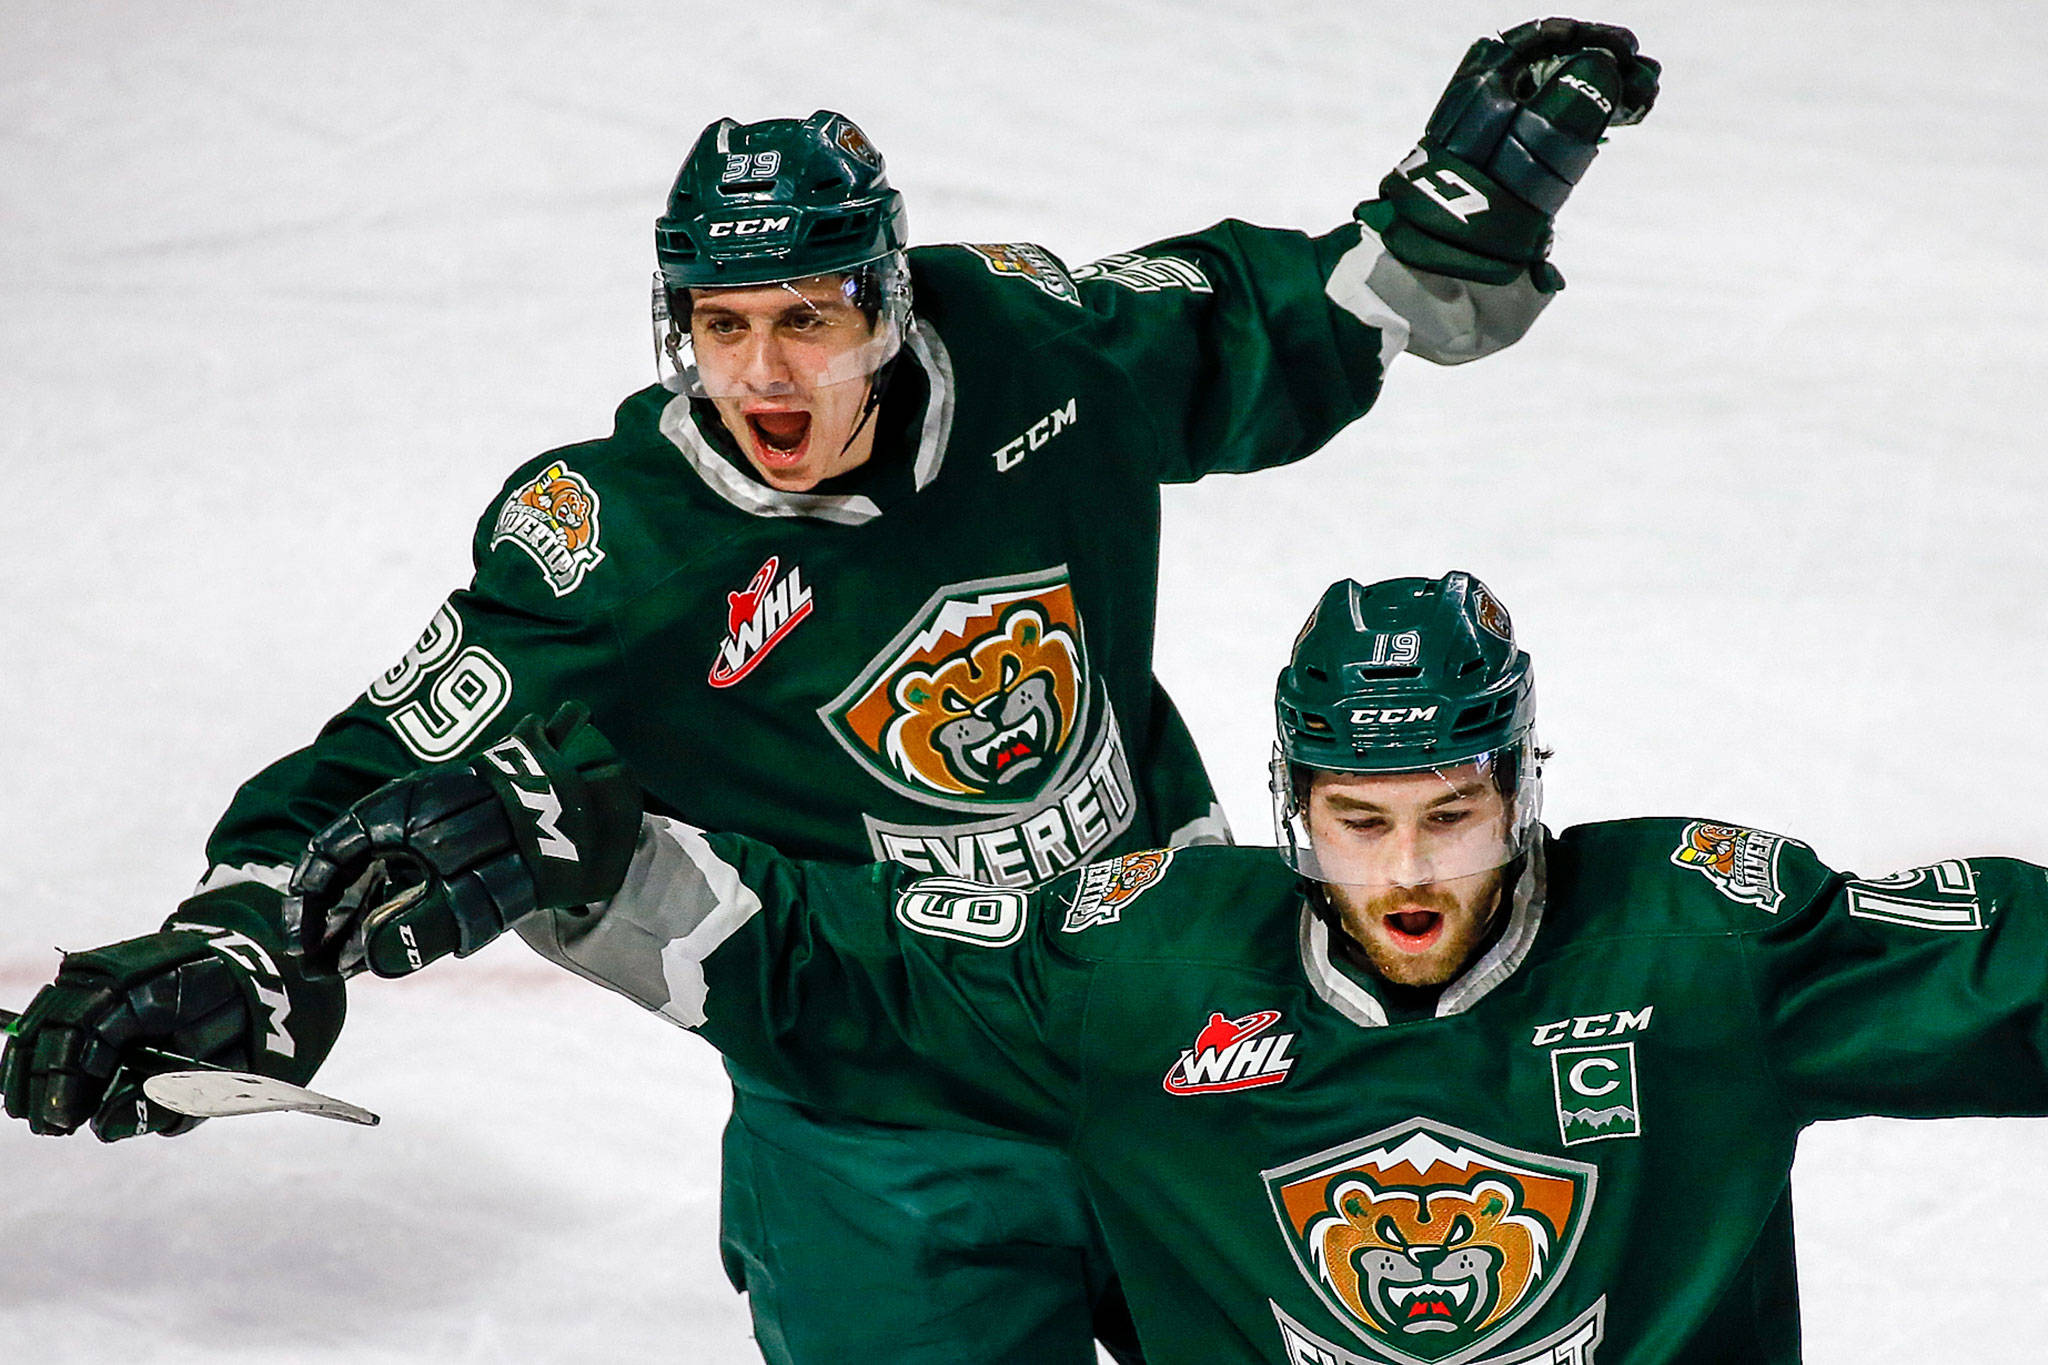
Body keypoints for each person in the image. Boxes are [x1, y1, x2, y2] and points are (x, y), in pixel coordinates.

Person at [0, 22, 1660, 1365]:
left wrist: (1453, 227)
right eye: (721, 325)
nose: (763, 373)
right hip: (885, 1106)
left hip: (1175, 1016)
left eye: (807, 316)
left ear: (891, 296)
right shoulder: (620, 547)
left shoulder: (1036, 344)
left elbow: (1278, 324)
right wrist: (243, 936)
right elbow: (379, 765)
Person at [261, 570, 2048, 1363]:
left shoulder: (1700, 941)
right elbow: (838, 971)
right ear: (1290, 806)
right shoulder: (1154, 959)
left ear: (1523, 792)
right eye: (1360, 820)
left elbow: (2012, 968)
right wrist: (585, 862)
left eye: (1451, 815)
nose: (1406, 871)